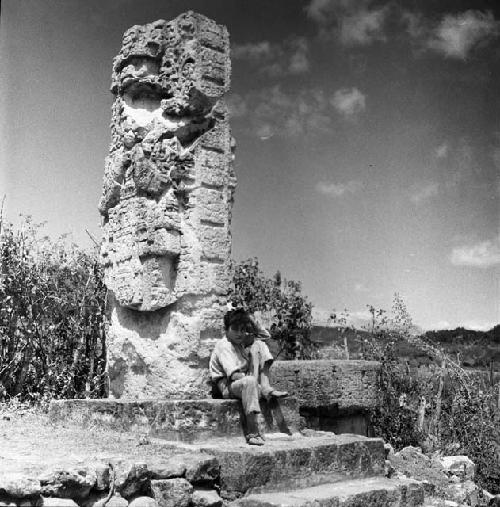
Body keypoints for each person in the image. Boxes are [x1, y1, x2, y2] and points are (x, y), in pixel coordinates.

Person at [209, 308, 288, 445]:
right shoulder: (225, 346)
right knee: (250, 382)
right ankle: (252, 431)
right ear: (226, 329)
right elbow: (233, 375)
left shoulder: (238, 341)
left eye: (242, 329)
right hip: (227, 386)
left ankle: (265, 386)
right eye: (235, 329)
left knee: (259, 344)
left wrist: (250, 319)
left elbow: (264, 336)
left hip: (244, 380)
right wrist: (252, 380)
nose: (240, 333)